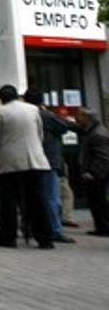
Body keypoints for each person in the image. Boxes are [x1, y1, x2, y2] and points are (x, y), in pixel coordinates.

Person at [0, 85, 52, 249]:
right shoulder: (33, 109)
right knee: (36, 200)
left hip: (10, 162)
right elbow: (39, 134)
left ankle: (8, 237)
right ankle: (44, 238)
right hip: (34, 160)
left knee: (8, 201)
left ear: (1, 98)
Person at [23, 88, 77, 244]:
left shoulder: (24, 115)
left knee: (31, 197)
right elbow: (63, 127)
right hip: (47, 161)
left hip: (28, 160)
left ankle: (30, 228)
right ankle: (54, 230)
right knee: (51, 198)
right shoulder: (45, 115)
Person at [74, 108, 109, 236]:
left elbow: (103, 157)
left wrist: (92, 172)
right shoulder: (90, 131)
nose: (77, 119)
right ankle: (100, 227)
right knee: (96, 202)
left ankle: (104, 227)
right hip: (95, 173)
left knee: (99, 201)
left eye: (79, 116)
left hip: (97, 174)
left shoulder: (97, 134)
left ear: (86, 117)